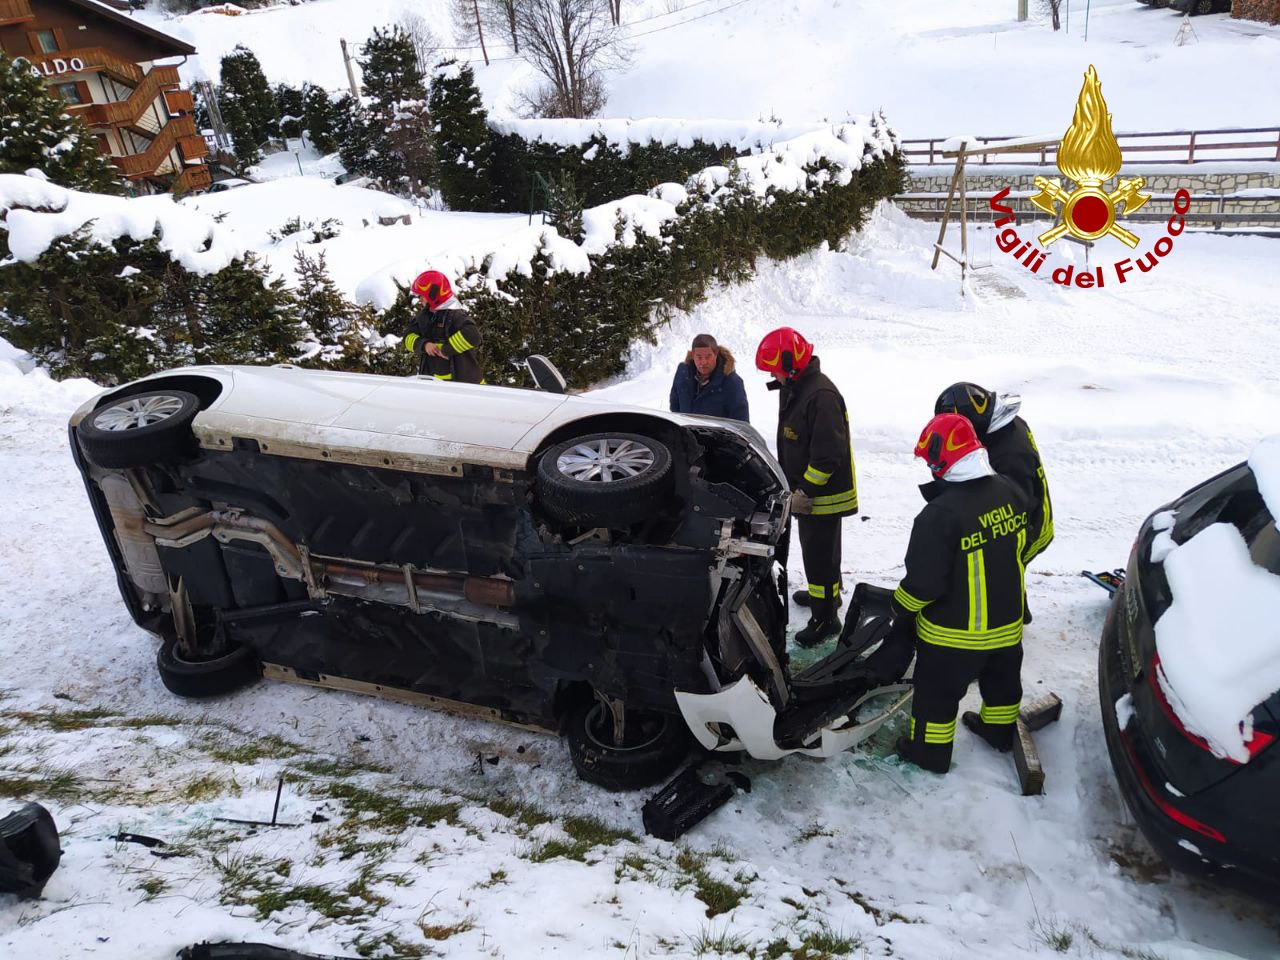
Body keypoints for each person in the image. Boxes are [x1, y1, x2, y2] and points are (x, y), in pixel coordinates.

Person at [888, 413, 1031, 774]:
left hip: (952, 636)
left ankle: (930, 753)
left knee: (936, 698)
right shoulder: (1010, 491)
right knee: (1002, 687)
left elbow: (924, 584)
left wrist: (899, 608)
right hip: (1007, 628)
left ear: (942, 462)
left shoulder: (938, 516)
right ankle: (998, 732)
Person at [755, 327, 858, 648]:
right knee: (821, 554)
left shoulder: (820, 396)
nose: (773, 374)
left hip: (821, 496)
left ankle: (826, 618)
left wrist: (805, 493)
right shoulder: (796, 387)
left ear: (791, 363)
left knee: (819, 556)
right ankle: (825, 596)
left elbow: (828, 456)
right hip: (809, 493)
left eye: (774, 368)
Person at [935, 383, 1053, 618]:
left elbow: (1012, 508)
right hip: (1035, 515)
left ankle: (1008, 617)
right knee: (1008, 570)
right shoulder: (1008, 428)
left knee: (1000, 567)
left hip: (1031, 527)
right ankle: (1016, 606)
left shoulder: (1009, 455)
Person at [403, 270, 485, 384]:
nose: (420, 299)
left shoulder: (455, 315)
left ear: (433, 295)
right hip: (433, 383)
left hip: (465, 385)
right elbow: (407, 337)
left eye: (422, 296)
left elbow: (473, 335)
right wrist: (424, 345)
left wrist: (446, 350)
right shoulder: (425, 316)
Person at [669, 334, 750, 422]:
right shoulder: (683, 373)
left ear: (716, 353)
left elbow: (741, 425)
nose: (703, 362)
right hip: (687, 434)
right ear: (693, 355)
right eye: (699, 357)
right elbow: (675, 407)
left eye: (708, 357)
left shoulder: (732, 382)